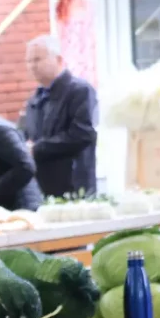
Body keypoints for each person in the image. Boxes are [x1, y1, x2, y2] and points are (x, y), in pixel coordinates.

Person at [23, 35, 98, 199]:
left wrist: (37, 149)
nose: (32, 66)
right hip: (43, 186)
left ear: (58, 59)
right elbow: (27, 136)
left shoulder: (79, 90)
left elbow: (82, 134)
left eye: (37, 60)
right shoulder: (34, 99)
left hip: (74, 185)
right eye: (28, 61)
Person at [56, 0, 97, 87]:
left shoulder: (90, 6)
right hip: (72, 58)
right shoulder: (63, 9)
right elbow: (61, 39)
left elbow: (92, 36)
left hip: (87, 57)